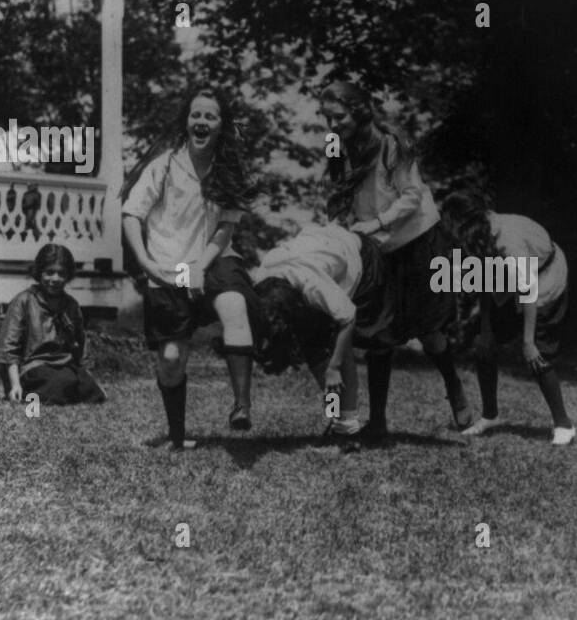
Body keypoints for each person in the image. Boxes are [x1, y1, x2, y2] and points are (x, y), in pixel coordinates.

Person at [320, 81, 473, 441]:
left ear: (358, 111)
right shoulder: (342, 148)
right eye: (327, 118)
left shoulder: (391, 144)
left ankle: (455, 388)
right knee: (377, 334)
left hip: (417, 241)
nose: (332, 124)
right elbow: (343, 195)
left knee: (429, 331)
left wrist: (374, 223)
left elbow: (412, 198)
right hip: (380, 247)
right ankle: (377, 422)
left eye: (338, 116)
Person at [121, 86, 261, 448]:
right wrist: (146, 262)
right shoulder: (165, 165)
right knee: (170, 358)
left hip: (211, 260)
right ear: (186, 122)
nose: (202, 121)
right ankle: (178, 437)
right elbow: (131, 214)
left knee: (234, 305)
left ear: (221, 125)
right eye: (196, 114)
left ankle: (241, 406)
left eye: (210, 116)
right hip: (169, 268)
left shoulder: (228, 170)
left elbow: (226, 226)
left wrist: (201, 266)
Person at [437, 191, 575, 445]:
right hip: (514, 279)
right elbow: (489, 282)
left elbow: (528, 290)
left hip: (544, 279)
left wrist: (528, 341)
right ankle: (490, 416)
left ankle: (563, 424)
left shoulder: (508, 240)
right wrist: (487, 330)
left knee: (538, 351)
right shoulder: (480, 233)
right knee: (484, 346)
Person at [251, 221, 392, 438]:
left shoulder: (313, 285)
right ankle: (336, 420)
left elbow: (348, 317)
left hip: (359, 256)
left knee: (338, 355)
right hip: (319, 249)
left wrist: (334, 367)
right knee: (316, 356)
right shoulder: (262, 285)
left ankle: (348, 428)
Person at [0, 244, 106, 406]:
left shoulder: (71, 305)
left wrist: (91, 381)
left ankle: (59, 393)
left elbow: (81, 347)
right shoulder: (23, 301)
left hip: (64, 366)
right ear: (39, 273)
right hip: (33, 368)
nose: (55, 279)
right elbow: (9, 349)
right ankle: (29, 394)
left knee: (89, 390)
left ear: (68, 276)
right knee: (60, 383)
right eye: (49, 272)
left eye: (61, 274)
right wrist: (15, 385)